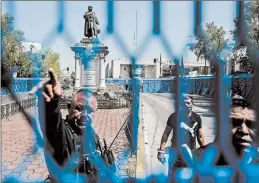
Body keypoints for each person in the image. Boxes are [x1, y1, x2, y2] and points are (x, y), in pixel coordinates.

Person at [29, 69, 106, 183]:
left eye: (90, 111)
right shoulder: (63, 135)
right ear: (69, 107)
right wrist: (51, 102)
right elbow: (52, 124)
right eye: (79, 108)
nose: (84, 115)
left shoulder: (91, 133)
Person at [169, 95, 258, 182]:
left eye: (251, 124)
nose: (244, 130)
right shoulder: (187, 164)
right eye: (234, 122)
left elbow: (200, 135)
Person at [157, 95, 205, 173]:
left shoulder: (197, 118)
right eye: (184, 103)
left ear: (192, 104)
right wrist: (161, 151)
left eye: (188, 103)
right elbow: (166, 134)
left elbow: (200, 136)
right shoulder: (174, 117)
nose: (186, 105)